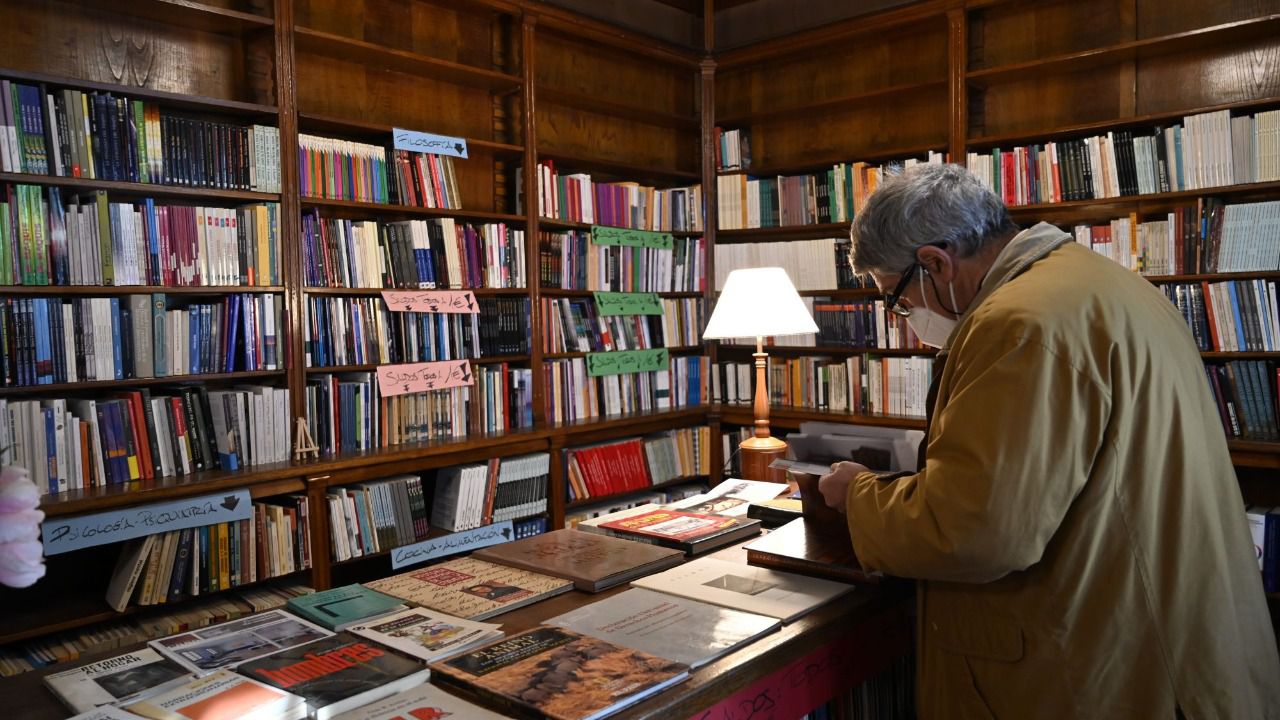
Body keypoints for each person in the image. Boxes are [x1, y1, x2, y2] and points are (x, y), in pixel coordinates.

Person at [817, 163, 1280, 719]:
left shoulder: (1016, 325)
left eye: (897, 299)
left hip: (1111, 668)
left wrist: (859, 497)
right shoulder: (1100, 283)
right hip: (1181, 639)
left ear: (935, 263)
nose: (903, 318)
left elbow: (978, 530)